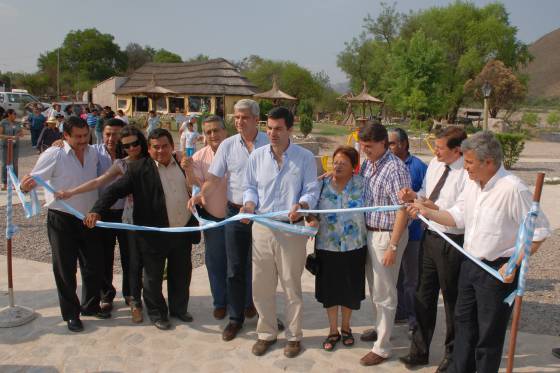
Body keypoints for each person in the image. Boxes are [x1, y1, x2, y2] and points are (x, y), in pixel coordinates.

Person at [407, 131, 550, 373]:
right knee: (464, 326)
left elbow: (538, 233)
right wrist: (425, 211)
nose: (466, 168)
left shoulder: (512, 189)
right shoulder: (473, 186)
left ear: (489, 162)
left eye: (470, 162)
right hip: (469, 264)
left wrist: (514, 263)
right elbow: (456, 217)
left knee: (488, 335)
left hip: (498, 271)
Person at [85, 128, 199, 330]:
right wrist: (97, 210)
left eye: (165, 146)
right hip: (153, 235)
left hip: (182, 231)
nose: (161, 151)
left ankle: (179, 309)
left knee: (181, 273)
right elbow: (113, 191)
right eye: (156, 147)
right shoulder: (138, 169)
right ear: (149, 148)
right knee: (153, 278)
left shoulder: (182, 165)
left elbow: (196, 189)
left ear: (172, 146)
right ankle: (157, 314)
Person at [242, 106, 319, 358]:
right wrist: (249, 204)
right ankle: (266, 332)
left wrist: (303, 205)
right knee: (261, 285)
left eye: (278, 129)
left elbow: (311, 190)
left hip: (290, 229)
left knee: (290, 285)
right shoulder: (256, 156)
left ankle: (294, 337)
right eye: (269, 128)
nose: (273, 133)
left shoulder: (305, 157)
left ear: (290, 129)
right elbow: (250, 187)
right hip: (262, 227)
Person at [20, 116, 109, 332]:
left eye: (85, 136)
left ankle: (90, 305)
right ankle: (71, 314)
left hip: (88, 218)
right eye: (77, 137)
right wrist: (24, 187)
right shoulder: (54, 154)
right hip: (62, 219)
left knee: (93, 265)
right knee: (65, 269)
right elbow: (31, 181)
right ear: (65, 136)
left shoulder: (94, 153)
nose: (82, 141)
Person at [189, 99, 267, 341]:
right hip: (234, 213)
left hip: (264, 215)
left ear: (256, 119)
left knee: (264, 267)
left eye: (244, 117)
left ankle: (265, 314)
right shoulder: (228, 146)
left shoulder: (270, 142)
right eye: (236, 117)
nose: (239, 121)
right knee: (234, 268)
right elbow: (213, 179)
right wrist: (201, 195)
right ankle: (235, 318)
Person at [56, 125, 149, 323]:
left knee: (133, 260)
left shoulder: (151, 160)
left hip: (142, 220)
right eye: (127, 145)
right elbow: (99, 182)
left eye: (135, 144)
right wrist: (71, 192)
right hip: (115, 216)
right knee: (104, 257)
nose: (131, 148)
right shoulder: (118, 163)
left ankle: (133, 298)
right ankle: (107, 296)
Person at [398, 127, 468, 372]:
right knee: (423, 294)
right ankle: (419, 350)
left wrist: (428, 209)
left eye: (440, 147)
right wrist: (414, 196)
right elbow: (427, 196)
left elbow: (459, 214)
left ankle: (452, 355)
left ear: (457, 150)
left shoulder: (467, 173)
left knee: (451, 300)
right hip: (430, 237)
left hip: (452, 242)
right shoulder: (436, 165)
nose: (435, 151)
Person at [357, 122, 411, 366]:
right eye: (362, 146)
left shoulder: (394, 169)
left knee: (386, 291)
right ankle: (380, 329)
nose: (365, 150)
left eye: (369, 146)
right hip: (370, 232)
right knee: (375, 288)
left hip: (387, 235)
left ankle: (383, 347)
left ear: (382, 144)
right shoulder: (369, 163)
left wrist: (393, 246)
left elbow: (403, 211)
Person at [306, 146, 367, 352]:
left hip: (354, 246)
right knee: (330, 291)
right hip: (327, 246)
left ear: (353, 167)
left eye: (343, 162)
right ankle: (333, 330)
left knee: (349, 290)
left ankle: (346, 328)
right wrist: (311, 219)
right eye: (335, 161)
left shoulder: (362, 184)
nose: (338, 165)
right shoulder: (321, 184)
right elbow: (311, 210)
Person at [182, 115, 228, 319]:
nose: (213, 135)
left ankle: (246, 302)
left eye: (216, 130)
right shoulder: (199, 157)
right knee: (215, 262)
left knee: (242, 262)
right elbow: (195, 187)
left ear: (225, 131)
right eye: (208, 132)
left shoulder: (239, 153)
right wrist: (188, 169)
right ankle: (220, 302)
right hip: (214, 218)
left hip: (240, 217)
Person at [388, 128, 427, 337]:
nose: (389, 147)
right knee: (395, 277)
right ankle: (398, 312)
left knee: (412, 280)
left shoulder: (419, 167)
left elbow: (427, 197)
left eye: (392, 143)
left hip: (412, 234)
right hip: (391, 232)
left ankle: (414, 320)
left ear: (403, 144)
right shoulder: (385, 165)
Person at [0, 109, 24, 190]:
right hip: (5, 146)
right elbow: (0, 135)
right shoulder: (3, 122)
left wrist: (18, 135)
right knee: (4, 164)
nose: (15, 115)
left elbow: (22, 133)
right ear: (9, 114)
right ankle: (4, 183)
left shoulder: (17, 123)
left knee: (15, 164)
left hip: (15, 146)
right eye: (14, 114)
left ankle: (15, 182)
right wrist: (10, 137)